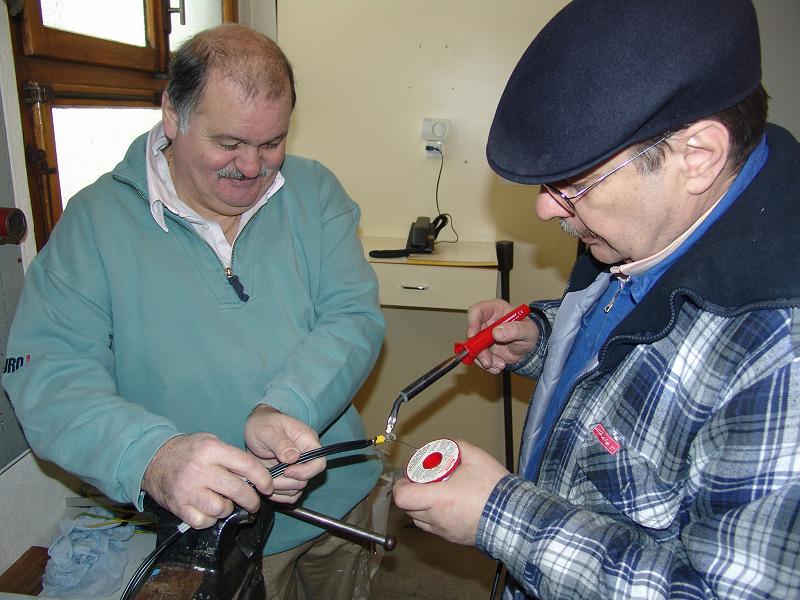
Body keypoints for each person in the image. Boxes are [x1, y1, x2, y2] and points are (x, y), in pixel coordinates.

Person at [393, 1, 800, 599]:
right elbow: (629, 335)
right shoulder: (645, 225)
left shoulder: (780, 353)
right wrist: (543, 337)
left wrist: (502, 517)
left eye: (575, 183)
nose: (546, 207)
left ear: (698, 156)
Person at [3, 24, 385, 600]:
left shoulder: (315, 191)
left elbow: (352, 317)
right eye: (229, 143)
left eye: (272, 142)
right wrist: (151, 457)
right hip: (212, 535)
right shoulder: (94, 223)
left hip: (337, 497)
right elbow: (49, 372)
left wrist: (288, 405)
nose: (252, 166)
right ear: (172, 115)